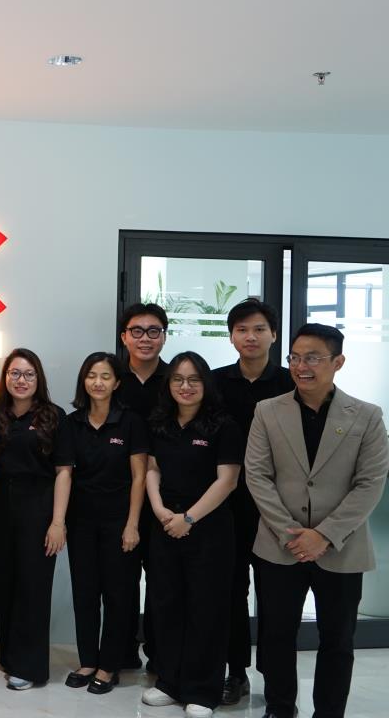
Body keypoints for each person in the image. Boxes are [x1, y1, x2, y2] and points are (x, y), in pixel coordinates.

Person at [246, 324, 389, 718]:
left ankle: (329, 712)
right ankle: (279, 707)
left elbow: (370, 484)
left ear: (337, 362)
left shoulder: (367, 415)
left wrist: (324, 535)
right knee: (276, 635)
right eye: (294, 357)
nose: (300, 366)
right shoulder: (267, 411)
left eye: (312, 357)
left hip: (341, 547)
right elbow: (257, 475)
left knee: (338, 639)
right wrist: (290, 532)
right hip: (280, 546)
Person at [141, 352, 241, 718]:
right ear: (168, 385)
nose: (185, 386)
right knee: (166, 605)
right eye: (178, 379)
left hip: (208, 529)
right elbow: (152, 469)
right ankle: (169, 682)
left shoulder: (223, 425)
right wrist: (159, 509)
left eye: (194, 379)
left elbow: (227, 481)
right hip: (165, 525)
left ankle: (202, 690)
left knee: (206, 609)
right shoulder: (159, 423)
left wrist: (190, 518)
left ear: (205, 384)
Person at [212, 297, 294, 704]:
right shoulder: (215, 383)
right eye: (242, 329)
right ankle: (236, 672)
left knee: (276, 598)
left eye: (259, 329)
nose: (250, 336)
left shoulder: (291, 384)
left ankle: (277, 682)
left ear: (273, 335)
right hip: (227, 506)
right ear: (231, 336)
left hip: (278, 508)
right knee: (230, 593)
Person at [59, 351, 147, 695]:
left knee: (117, 594)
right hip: (81, 520)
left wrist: (132, 524)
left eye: (105, 376)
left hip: (118, 521)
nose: (98, 382)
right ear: (84, 381)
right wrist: (59, 521)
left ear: (117, 382)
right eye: (92, 375)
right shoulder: (72, 423)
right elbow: (65, 473)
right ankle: (87, 661)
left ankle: (109, 665)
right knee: (84, 592)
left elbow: (139, 477)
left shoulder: (130, 422)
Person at [0, 348, 68, 691]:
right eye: (15, 373)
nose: (21, 380)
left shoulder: (53, 415)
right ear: (5, 377)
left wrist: (58, 522)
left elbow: (64, 472)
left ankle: (29, 666)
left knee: (33, 587)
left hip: (39, 510)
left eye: (29, 374)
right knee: (6, 585)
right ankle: (10, 655)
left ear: (38, 379)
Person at [116, 302, 169, 671]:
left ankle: (159, 654)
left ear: (164, 336)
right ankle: (121, 652)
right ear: (124, 337)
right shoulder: (112, 377)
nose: (145, 338)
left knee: (162, 579)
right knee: (121, 579)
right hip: (118, 494)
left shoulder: (176, 379)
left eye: (153, 331)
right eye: (137, 331)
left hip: (167, 496)